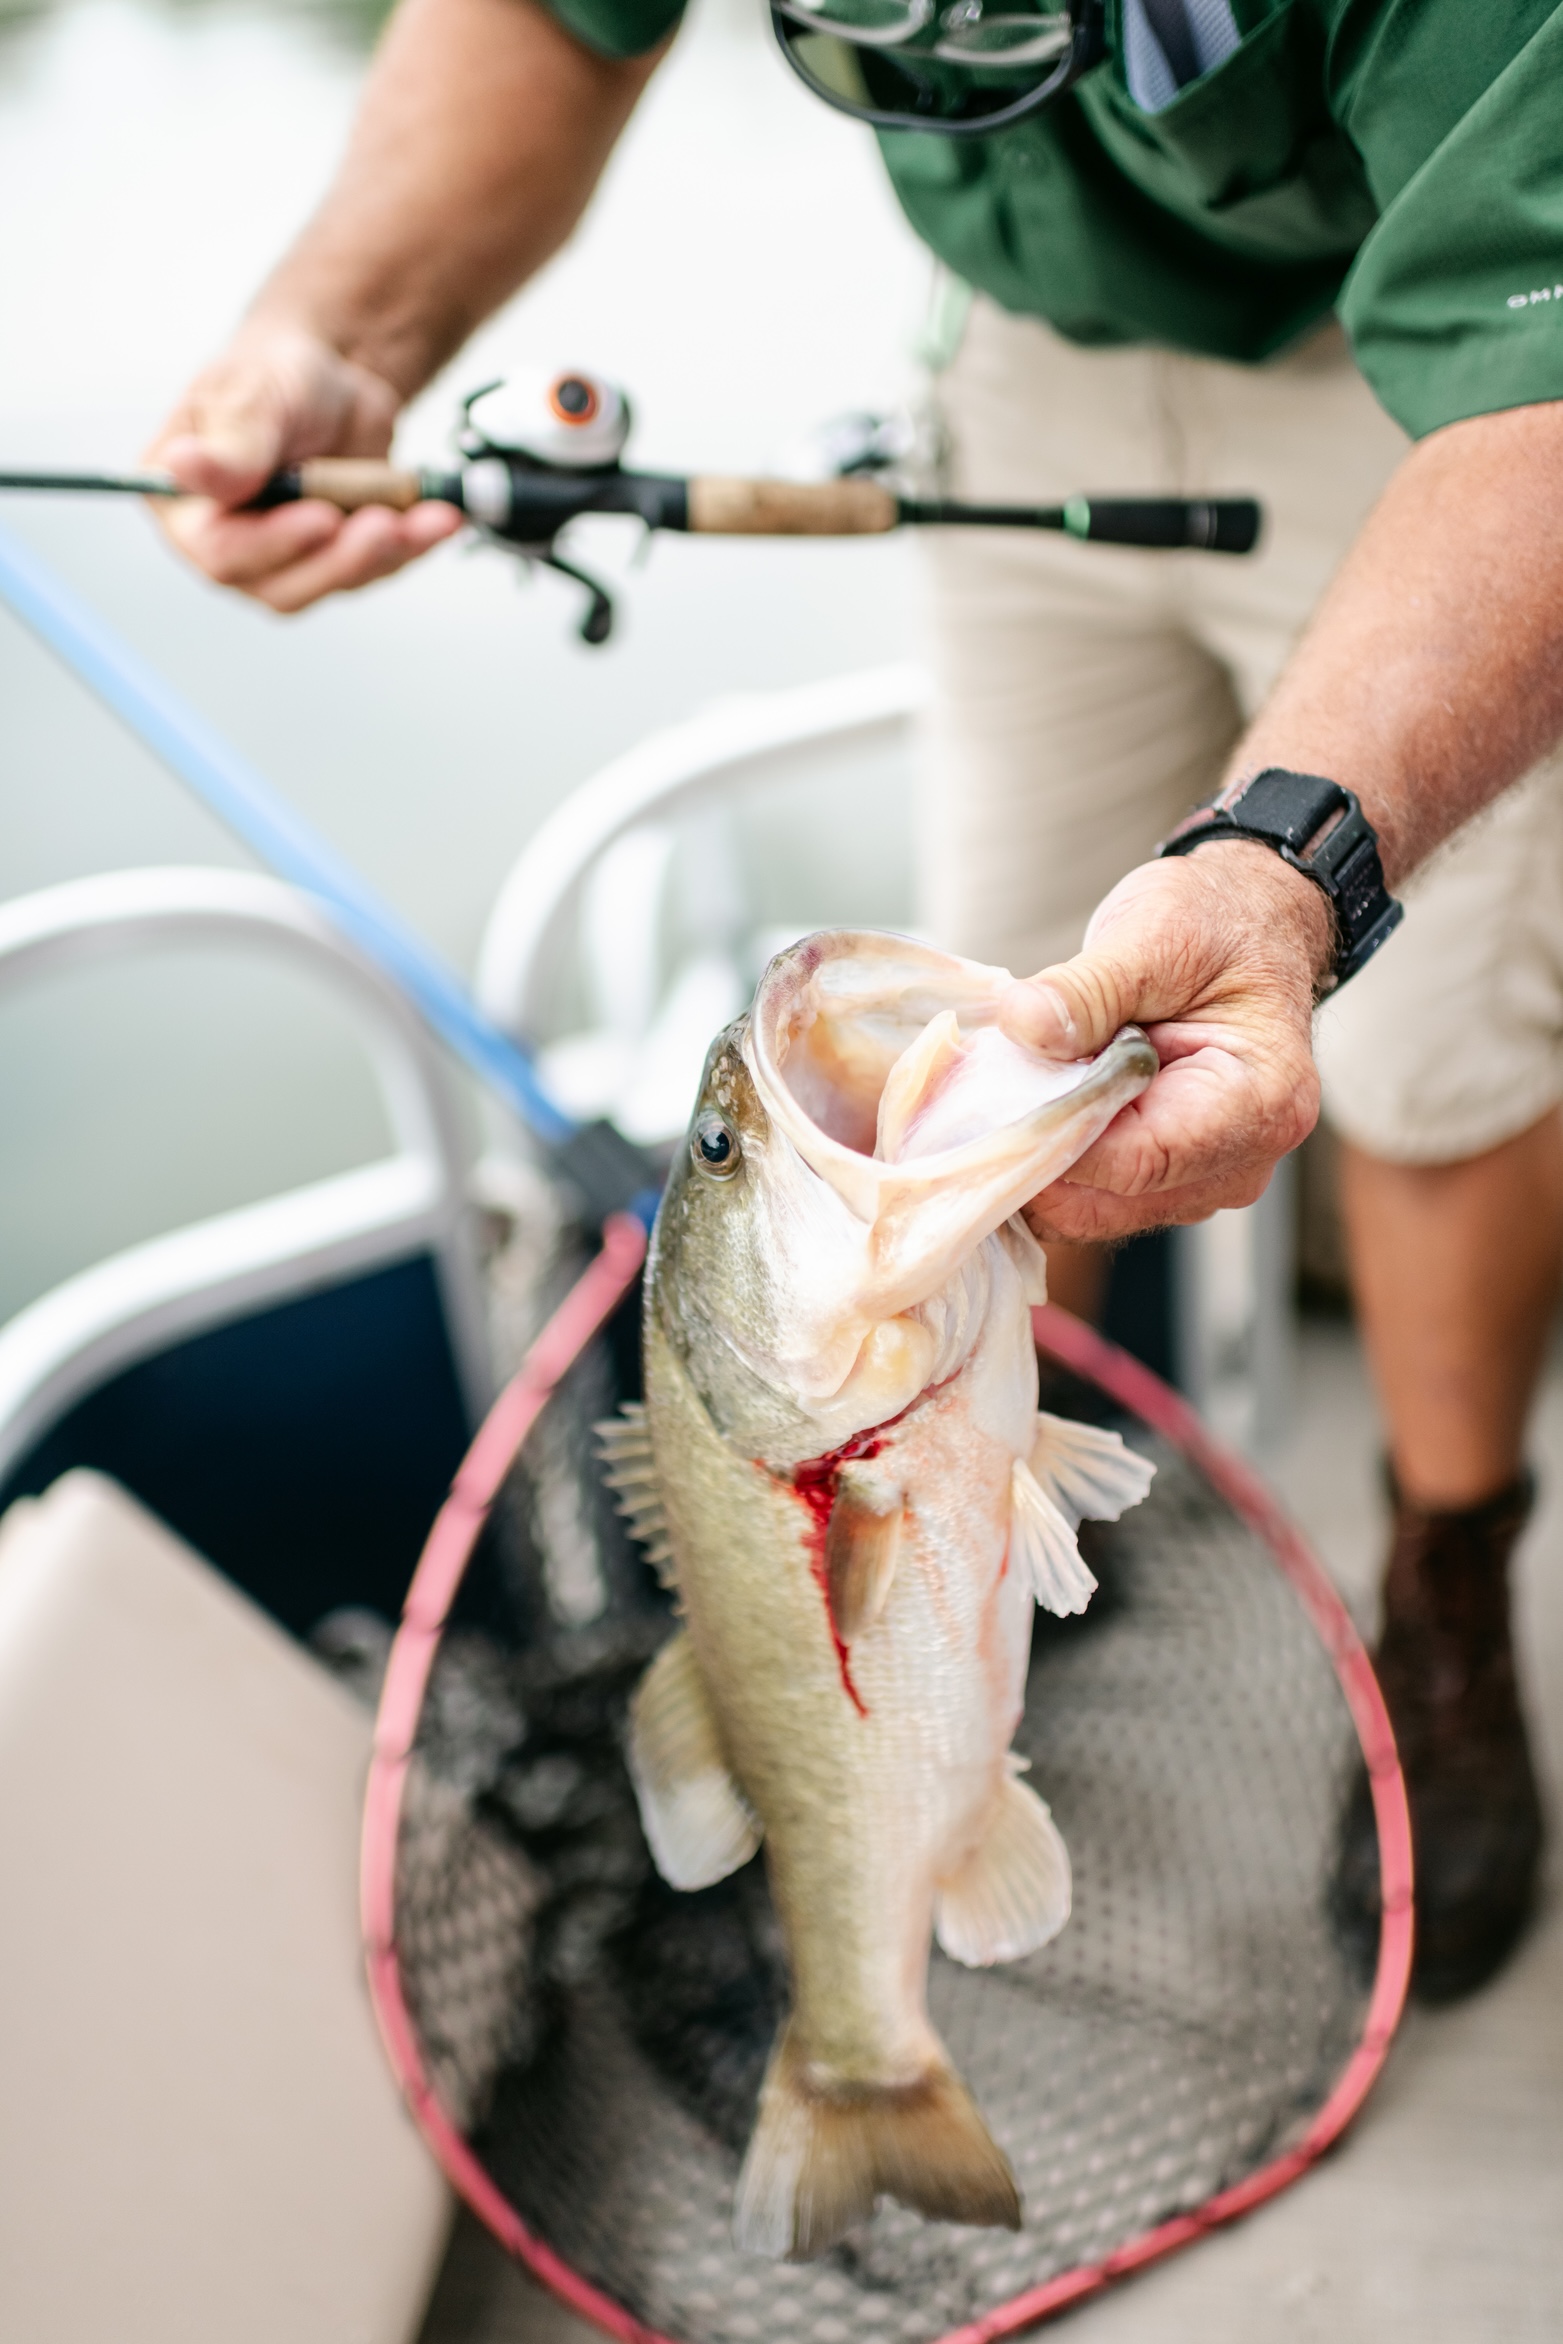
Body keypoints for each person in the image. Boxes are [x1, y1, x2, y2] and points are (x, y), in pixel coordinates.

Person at [148, 0, 1563, 1999]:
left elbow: (1545, 360)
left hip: (1445, 365)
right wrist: (343, 332)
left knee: (1427, 1070)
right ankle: (984, 1579)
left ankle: (1439, 1598)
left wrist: (1288, 862)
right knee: (1001, 986)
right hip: (1020, 362)